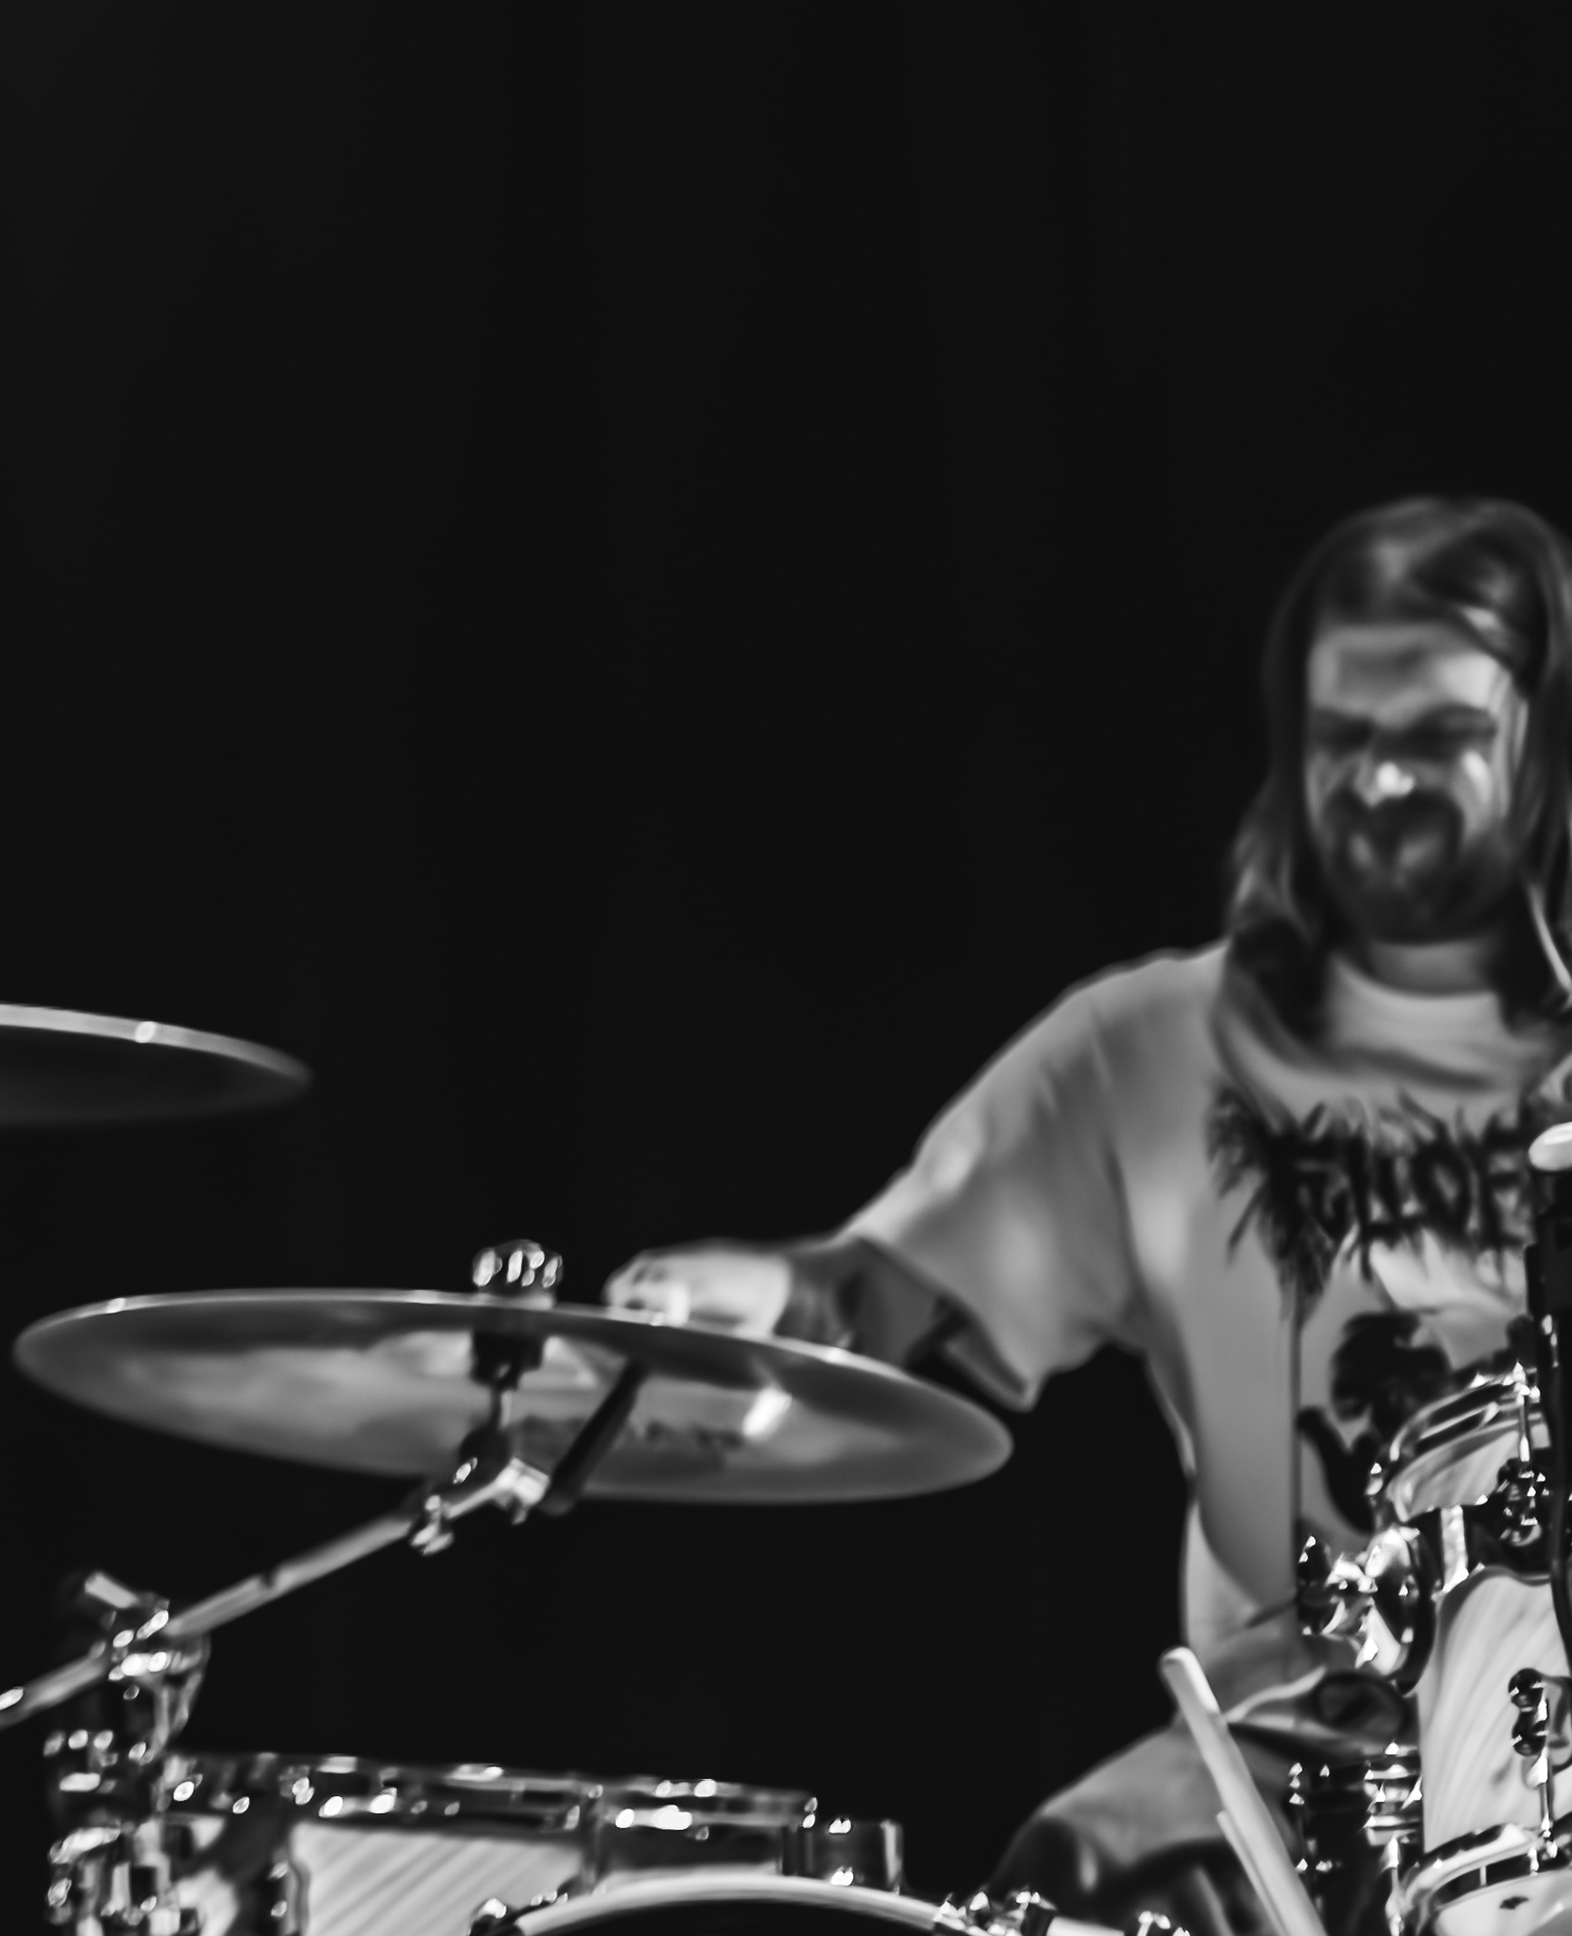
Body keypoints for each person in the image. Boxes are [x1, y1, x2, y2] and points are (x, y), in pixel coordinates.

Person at [612, 497, 1572, 1932]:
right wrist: (776, 1296)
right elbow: (888, 1296)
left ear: (1546, 744)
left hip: (1547, 1680)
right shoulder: (1151, 1051)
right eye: (1340, 737)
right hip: (1303, 1717)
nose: (1377, 780)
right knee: (1088, 1866)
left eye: (1436, 737)